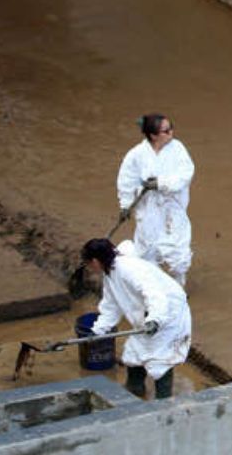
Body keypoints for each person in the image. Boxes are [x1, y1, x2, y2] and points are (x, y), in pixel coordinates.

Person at [82, 238, 191, 400]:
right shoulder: (110, 275)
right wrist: (98, 331)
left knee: (162, 359)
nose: (89, 267)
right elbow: (111, 306)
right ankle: (134, 390)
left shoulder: (129, 269)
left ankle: (164, 401)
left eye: (88, 263)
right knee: (135, 352)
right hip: (147, 316)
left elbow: (154, 294)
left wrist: (155, 319)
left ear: (96, 261)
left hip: (168, 314)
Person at [117, 113, 195, 286]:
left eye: (171, 128)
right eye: (166, 131)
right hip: (148, 209)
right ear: (153, 135)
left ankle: (178, 286)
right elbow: (126, 181)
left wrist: (161, 183)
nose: (171, 133)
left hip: (172, 207)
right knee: (147, 250)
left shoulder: (178, 149)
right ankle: (155, 286)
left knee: (178, 249)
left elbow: (185, 175)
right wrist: (125, 206)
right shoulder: (136, 155)